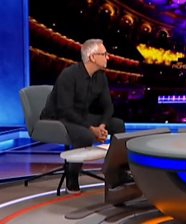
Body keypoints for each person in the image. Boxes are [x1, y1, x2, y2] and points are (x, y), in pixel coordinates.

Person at [40, 39, 125, 194]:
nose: (108, 57)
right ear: (92, 57)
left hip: (80, 115)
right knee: (85, 135)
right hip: (58, 118)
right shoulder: (69, 74)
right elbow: (65, 110)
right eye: (104, 54)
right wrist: (91, 129)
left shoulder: (101, 77)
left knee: (118, 125)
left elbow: (108, 107)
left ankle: (115, 173)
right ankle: (72, 176)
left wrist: (102, 126)